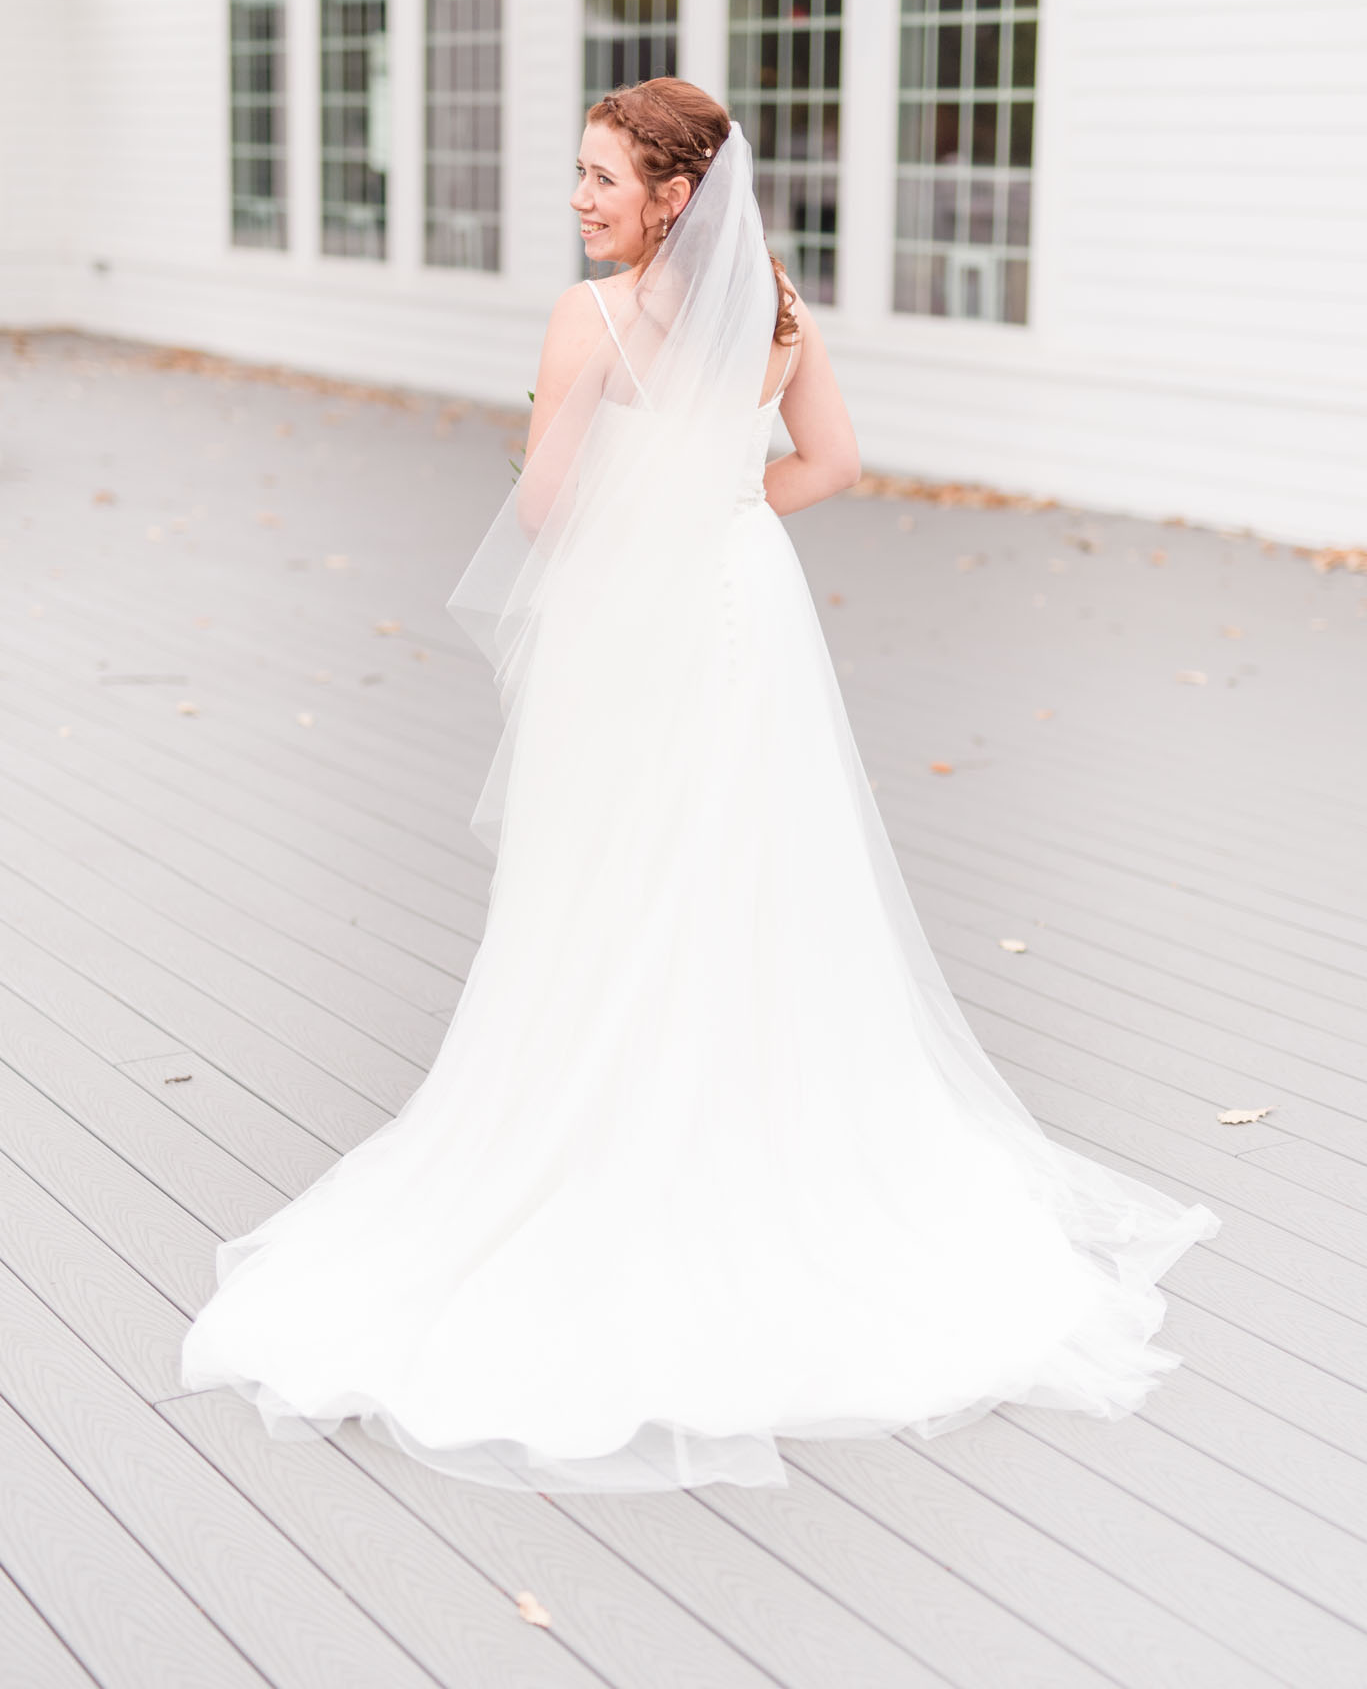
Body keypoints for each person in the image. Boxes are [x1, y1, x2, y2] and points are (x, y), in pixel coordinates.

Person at [180, 79, 1220, 1493]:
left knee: (616, 872)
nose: (582, 198)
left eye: (605, 178)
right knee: (758, 863)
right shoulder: (780, 310)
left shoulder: (588, 320)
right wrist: (722, 508)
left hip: (638, 617)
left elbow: (547, 508)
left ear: (675, 196)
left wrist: (634, 500)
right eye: (581, 174)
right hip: (746, 603)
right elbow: (833, 464)